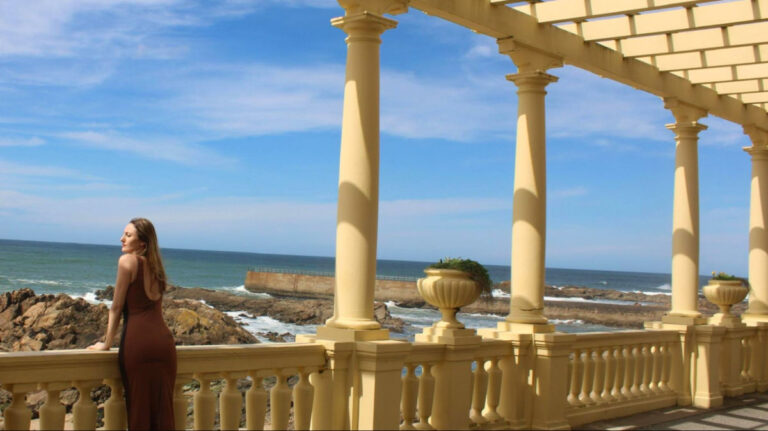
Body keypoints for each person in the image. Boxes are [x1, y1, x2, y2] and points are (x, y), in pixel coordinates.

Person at [88, 217, 177, 430]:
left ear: (142, 244)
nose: (122, 239)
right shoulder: (158, 270)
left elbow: (116, 307)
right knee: (162, 412)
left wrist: (107, 343)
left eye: (128, 235)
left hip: (139, 345)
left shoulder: (127, 261)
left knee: (139, 412)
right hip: (164, 346)